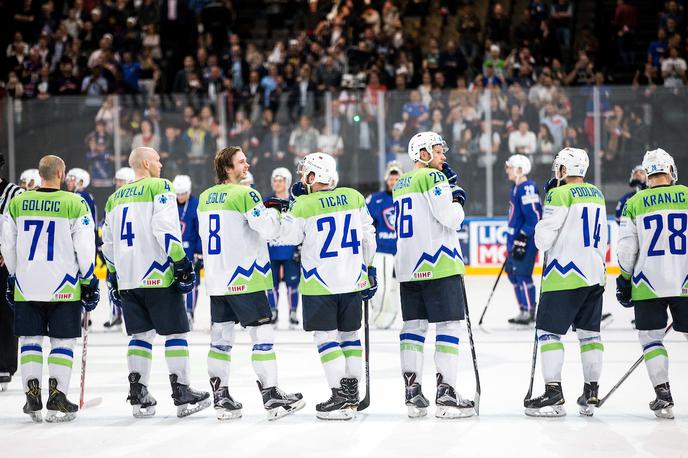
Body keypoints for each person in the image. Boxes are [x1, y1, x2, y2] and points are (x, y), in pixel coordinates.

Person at [102, 147, 210, 418]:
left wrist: (115, 276)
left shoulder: (114, 198)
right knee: (175, 333)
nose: (161, 164)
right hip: (158, 274)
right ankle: (182, 391)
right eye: (159, 160)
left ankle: (138, 394)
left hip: (128, 279)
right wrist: (182, 263)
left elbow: (108, 244)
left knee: (140, 336)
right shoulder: (160, 186)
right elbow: (166, 228)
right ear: (147, 163)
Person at [197, 147, 304, 420]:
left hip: (218, 280)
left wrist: (263, 209)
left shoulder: (205, 197)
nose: (247, 165)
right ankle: (271, 397)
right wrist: (278, 212)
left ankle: (221, 398)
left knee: (220, 340)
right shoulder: (246, 193)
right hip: (246, 277)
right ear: (228, 168)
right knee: (262, 337)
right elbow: (268, 230)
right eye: (241, 162)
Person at [277, 152, 377, 420]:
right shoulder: (354, 197)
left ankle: (339, 396)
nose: (301, 178)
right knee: (350, 337)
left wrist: (291, 205)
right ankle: (351, 393)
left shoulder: (304, 204)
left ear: (314, 176)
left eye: (305, 173)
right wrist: (369, 269)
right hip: (353, 280)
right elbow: (369, 237)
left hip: (319, 283)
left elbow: (287, 237)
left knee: (325, 337)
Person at [1, 155, 99, 422]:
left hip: (27, 284)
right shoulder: (75, 203)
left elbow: (7, 244)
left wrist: (13, 276)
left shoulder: (18, 202)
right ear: (61, 173)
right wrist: (89, 279)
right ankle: (57, 397)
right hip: (64, 286)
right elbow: (85, 247)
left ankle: (32, 397)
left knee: (30, 340)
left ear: (40, 174)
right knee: (62, 342)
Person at [393, 131, 475, 419]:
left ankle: (412, 391)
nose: (444, 156)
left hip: (408, 267)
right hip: (438, 263)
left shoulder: (401, 182)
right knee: (449, 326)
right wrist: (457, 197)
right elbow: (450, 218)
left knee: (413, 328)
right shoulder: (433, 178)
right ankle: (447, 392)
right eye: (438, 152)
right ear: (423, 154)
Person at [526, 147, 607, 417]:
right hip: (594, 274)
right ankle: (591, 392)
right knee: (590, 335)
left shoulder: (558, 193)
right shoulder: (597, 194)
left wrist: (546, 210)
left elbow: (542, 240)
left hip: (563, 274)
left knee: (549, 333)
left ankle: (553, 392)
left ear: (563, 170)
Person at [617, 148, 688, 420]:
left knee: (651, 339)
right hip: (685, 281)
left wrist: (624, 279)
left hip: (647, 284)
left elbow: (626, 250)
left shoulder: (634, 203)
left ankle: (663, 395)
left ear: (647, 175)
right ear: (671, 170)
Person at [504, 154, 542, 325]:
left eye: (510, 167)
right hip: (514, 239)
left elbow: (534, 217)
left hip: (525, 240)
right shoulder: (515, 187)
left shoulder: (528, 187)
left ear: (520, 169)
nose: (507, 170)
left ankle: (529, 310)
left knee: (522, 275)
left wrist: (523, 236)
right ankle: (523, 309)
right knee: (512, 274)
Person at [366, 161, 402, 329]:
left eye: (396, 178)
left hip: (402, 251)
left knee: (393, 288)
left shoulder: (406, 197)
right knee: (382, 287)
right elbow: (367, 223)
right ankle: (379, 317)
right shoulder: (376, 199)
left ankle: (388, 315)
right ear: (387, 179)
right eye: (391, 178)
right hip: (382, 250)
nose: (393, 182)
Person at [0, 154, 24, 392]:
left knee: (5, 313)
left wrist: (8, 253)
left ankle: (5, 364)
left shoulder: (14, 194)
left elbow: (19, 228)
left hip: (4, 264)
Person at [266, 167, 301, 327]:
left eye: (281, 180)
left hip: (290, 247)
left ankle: (293, 313)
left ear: (287, 182)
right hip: (272, 247)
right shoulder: (267, 202)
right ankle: (273, 312)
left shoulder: (296, 202)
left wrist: (301, 245)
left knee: (292, 283)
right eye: (275, 180)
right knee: (271, 283)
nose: (278, 183)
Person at [103, 167, 135, 330]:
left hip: (129, 249)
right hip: (118, 248)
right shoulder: (113, 199)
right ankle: (116, 314)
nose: (118, 183)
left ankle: (127, 315)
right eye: (117, 181)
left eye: (121, 181)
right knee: (113, 281)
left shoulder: (128, 200)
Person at [172, 175, 202, 328]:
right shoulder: (169, 204)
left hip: (190, 251)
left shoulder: (196, 204)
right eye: (177, 193)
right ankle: (176, 313)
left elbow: (200, 231)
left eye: (183, 193)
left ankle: (189, 312)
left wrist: (199, 251)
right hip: (173, 252)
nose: (180, 196)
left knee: (193, 282)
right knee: (172, 284)